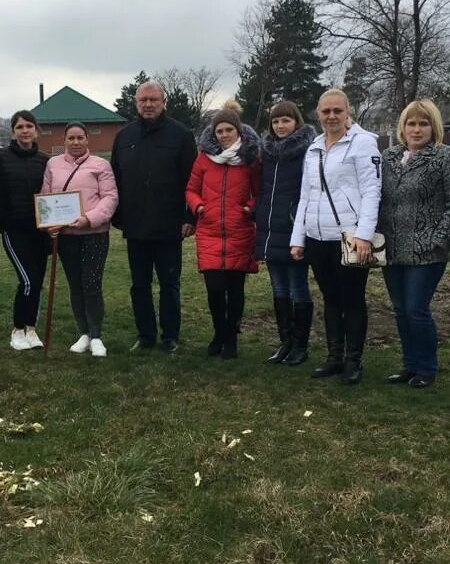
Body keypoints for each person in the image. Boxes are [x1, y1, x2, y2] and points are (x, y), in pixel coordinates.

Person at [289, 88, 382, 385]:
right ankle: (334, 356)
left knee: (352, 299)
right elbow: (306, 195)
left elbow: (371, 192)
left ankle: (353, 360)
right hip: (318, 235)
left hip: (350, 236)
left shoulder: (363, 143)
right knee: (330, 298)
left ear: (348, 112)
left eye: (337, 111)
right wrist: (298, 237)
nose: (331, 116)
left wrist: (365, 235)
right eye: (326, 111)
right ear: (318, 113)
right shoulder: (314, 146)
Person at [378, 100, 450, 388]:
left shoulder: (445, 157)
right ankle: (409, 364)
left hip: (426, 249)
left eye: (423, 123)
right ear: (402, 127)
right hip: (392, 247)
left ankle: (426, 367)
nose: (416, 129)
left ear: (434, 127)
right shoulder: (388, 157)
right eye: (411, 123)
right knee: (400, 308)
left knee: (417, 308)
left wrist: (439, 238)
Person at [111, 80, 198, 353]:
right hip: (135, 224)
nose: (148, 105)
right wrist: (118, 215)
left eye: (154, 100)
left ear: (164, 102)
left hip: (169, 225)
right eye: (143, 100)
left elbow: (192, 180)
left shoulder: (181, 135)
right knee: (140, 285)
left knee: (169, 284)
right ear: (136, 103)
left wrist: (189, 216)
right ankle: (145, 335)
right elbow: (115, 179)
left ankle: (170, 335)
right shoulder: (124, 137)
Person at [186, 103, 260, 359]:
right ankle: (219, 333)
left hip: (239, 231)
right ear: (213, 133)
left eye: (229, 129)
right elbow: (191, 189)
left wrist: (249, 209)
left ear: (238, 131)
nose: (224, 135)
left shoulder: (250, 159)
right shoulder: (204, 159)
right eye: (220, 130)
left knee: (235, 290)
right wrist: (198, 207)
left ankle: (231, 337)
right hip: (210, 232)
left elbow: (259, 193)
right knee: (215, 289)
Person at [41, 122, 119, 357]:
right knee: (76, 285)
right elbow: (46, 197)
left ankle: (96, 335)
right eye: (71, 138)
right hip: (66, 237)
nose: (75, 142)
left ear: (87, 140)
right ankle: (83, 332)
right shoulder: (52, 165)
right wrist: (49, 224)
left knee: (92, 284)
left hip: (94, 234)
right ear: (64, 140)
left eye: (80, 138)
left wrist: (89, 218)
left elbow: (110, 197)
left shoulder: (101, 165)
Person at [253, 100, 317, 365]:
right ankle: (285, 342)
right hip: (270, 228)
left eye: (286, 121)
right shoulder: (266, 152)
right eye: (276, 121)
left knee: (298, 288)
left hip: (294, 227)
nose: (280, 126)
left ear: (296, 122)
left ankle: (301, 346)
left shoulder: (307, 151)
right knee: (278, 288)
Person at [0, 110, 50, 350]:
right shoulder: (0, 157)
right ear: (13, 131)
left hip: (40, 229)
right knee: (28, 281)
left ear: (36, 130)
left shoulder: (45, 160)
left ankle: (31, 329)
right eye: (19, 127)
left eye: (29, 126)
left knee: (38, 281)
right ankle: (17, 329)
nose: (25, 130)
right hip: (14, 228)